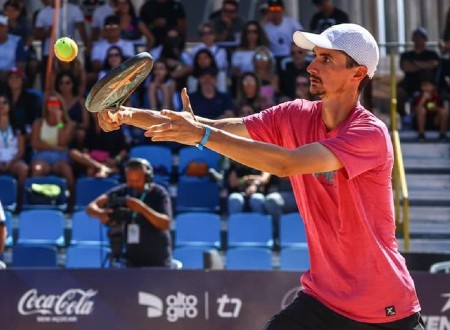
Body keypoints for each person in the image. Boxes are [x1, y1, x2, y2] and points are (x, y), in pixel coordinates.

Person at [96, 23, 424, 329]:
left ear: (358, 73)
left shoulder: (370, 134)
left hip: (383, 308)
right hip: (324, 299)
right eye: (314, 57)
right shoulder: (294, 114)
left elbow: (285, 164)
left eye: (326, 59)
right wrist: (126, 114)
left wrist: (200, 135)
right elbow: (213, 127)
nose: (312, 66)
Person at [86, 158, 172, 268]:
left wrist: (142, 209)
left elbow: (165, 223)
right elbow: (90, 208)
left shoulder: (159, 193)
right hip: (132, 260)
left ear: (147, 177)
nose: (134, 184)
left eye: (138, 180)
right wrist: (102, 213)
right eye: (130, 181)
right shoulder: (124, 190)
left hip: (157, 259)